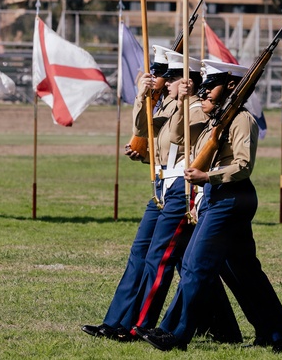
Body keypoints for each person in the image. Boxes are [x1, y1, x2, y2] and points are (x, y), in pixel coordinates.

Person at [136, 59, 282, 352]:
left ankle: (174, 333)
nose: (203, 92)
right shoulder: (214, 120)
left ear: (231, 87)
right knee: (245, 273)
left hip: (232, 197)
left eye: (210, 86)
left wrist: (207, 177)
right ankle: (280, 335)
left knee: (195, 264)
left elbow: (243, 165)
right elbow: (177, 137)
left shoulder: (242, 120)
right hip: (217, 197)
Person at [82, 48, 240, 344]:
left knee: (167, 259)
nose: (163, 83)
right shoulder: (170, 105)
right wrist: (142, 98)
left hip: (182, 188)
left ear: (187, 80)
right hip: (163, 187)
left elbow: (181, 141)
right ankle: (117, 321)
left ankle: (136, 325)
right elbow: (144, 132)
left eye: (169, 78)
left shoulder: (196, 109)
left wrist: (182, 102)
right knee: (145, 255)